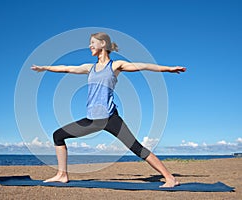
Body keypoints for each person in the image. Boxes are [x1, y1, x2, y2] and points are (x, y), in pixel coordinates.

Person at [31, 32, 186, 187]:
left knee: (137, 148)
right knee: (58, 135)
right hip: (92, 119)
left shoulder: (115, 65)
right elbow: (67, 68)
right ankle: (62, 174)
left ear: (103, 44)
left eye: (92, 42)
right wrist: (45, 68)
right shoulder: (89, 68)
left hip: (111, 118)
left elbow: (143, 66)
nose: (90, 46)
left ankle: (170, 178)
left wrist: (168, 69)